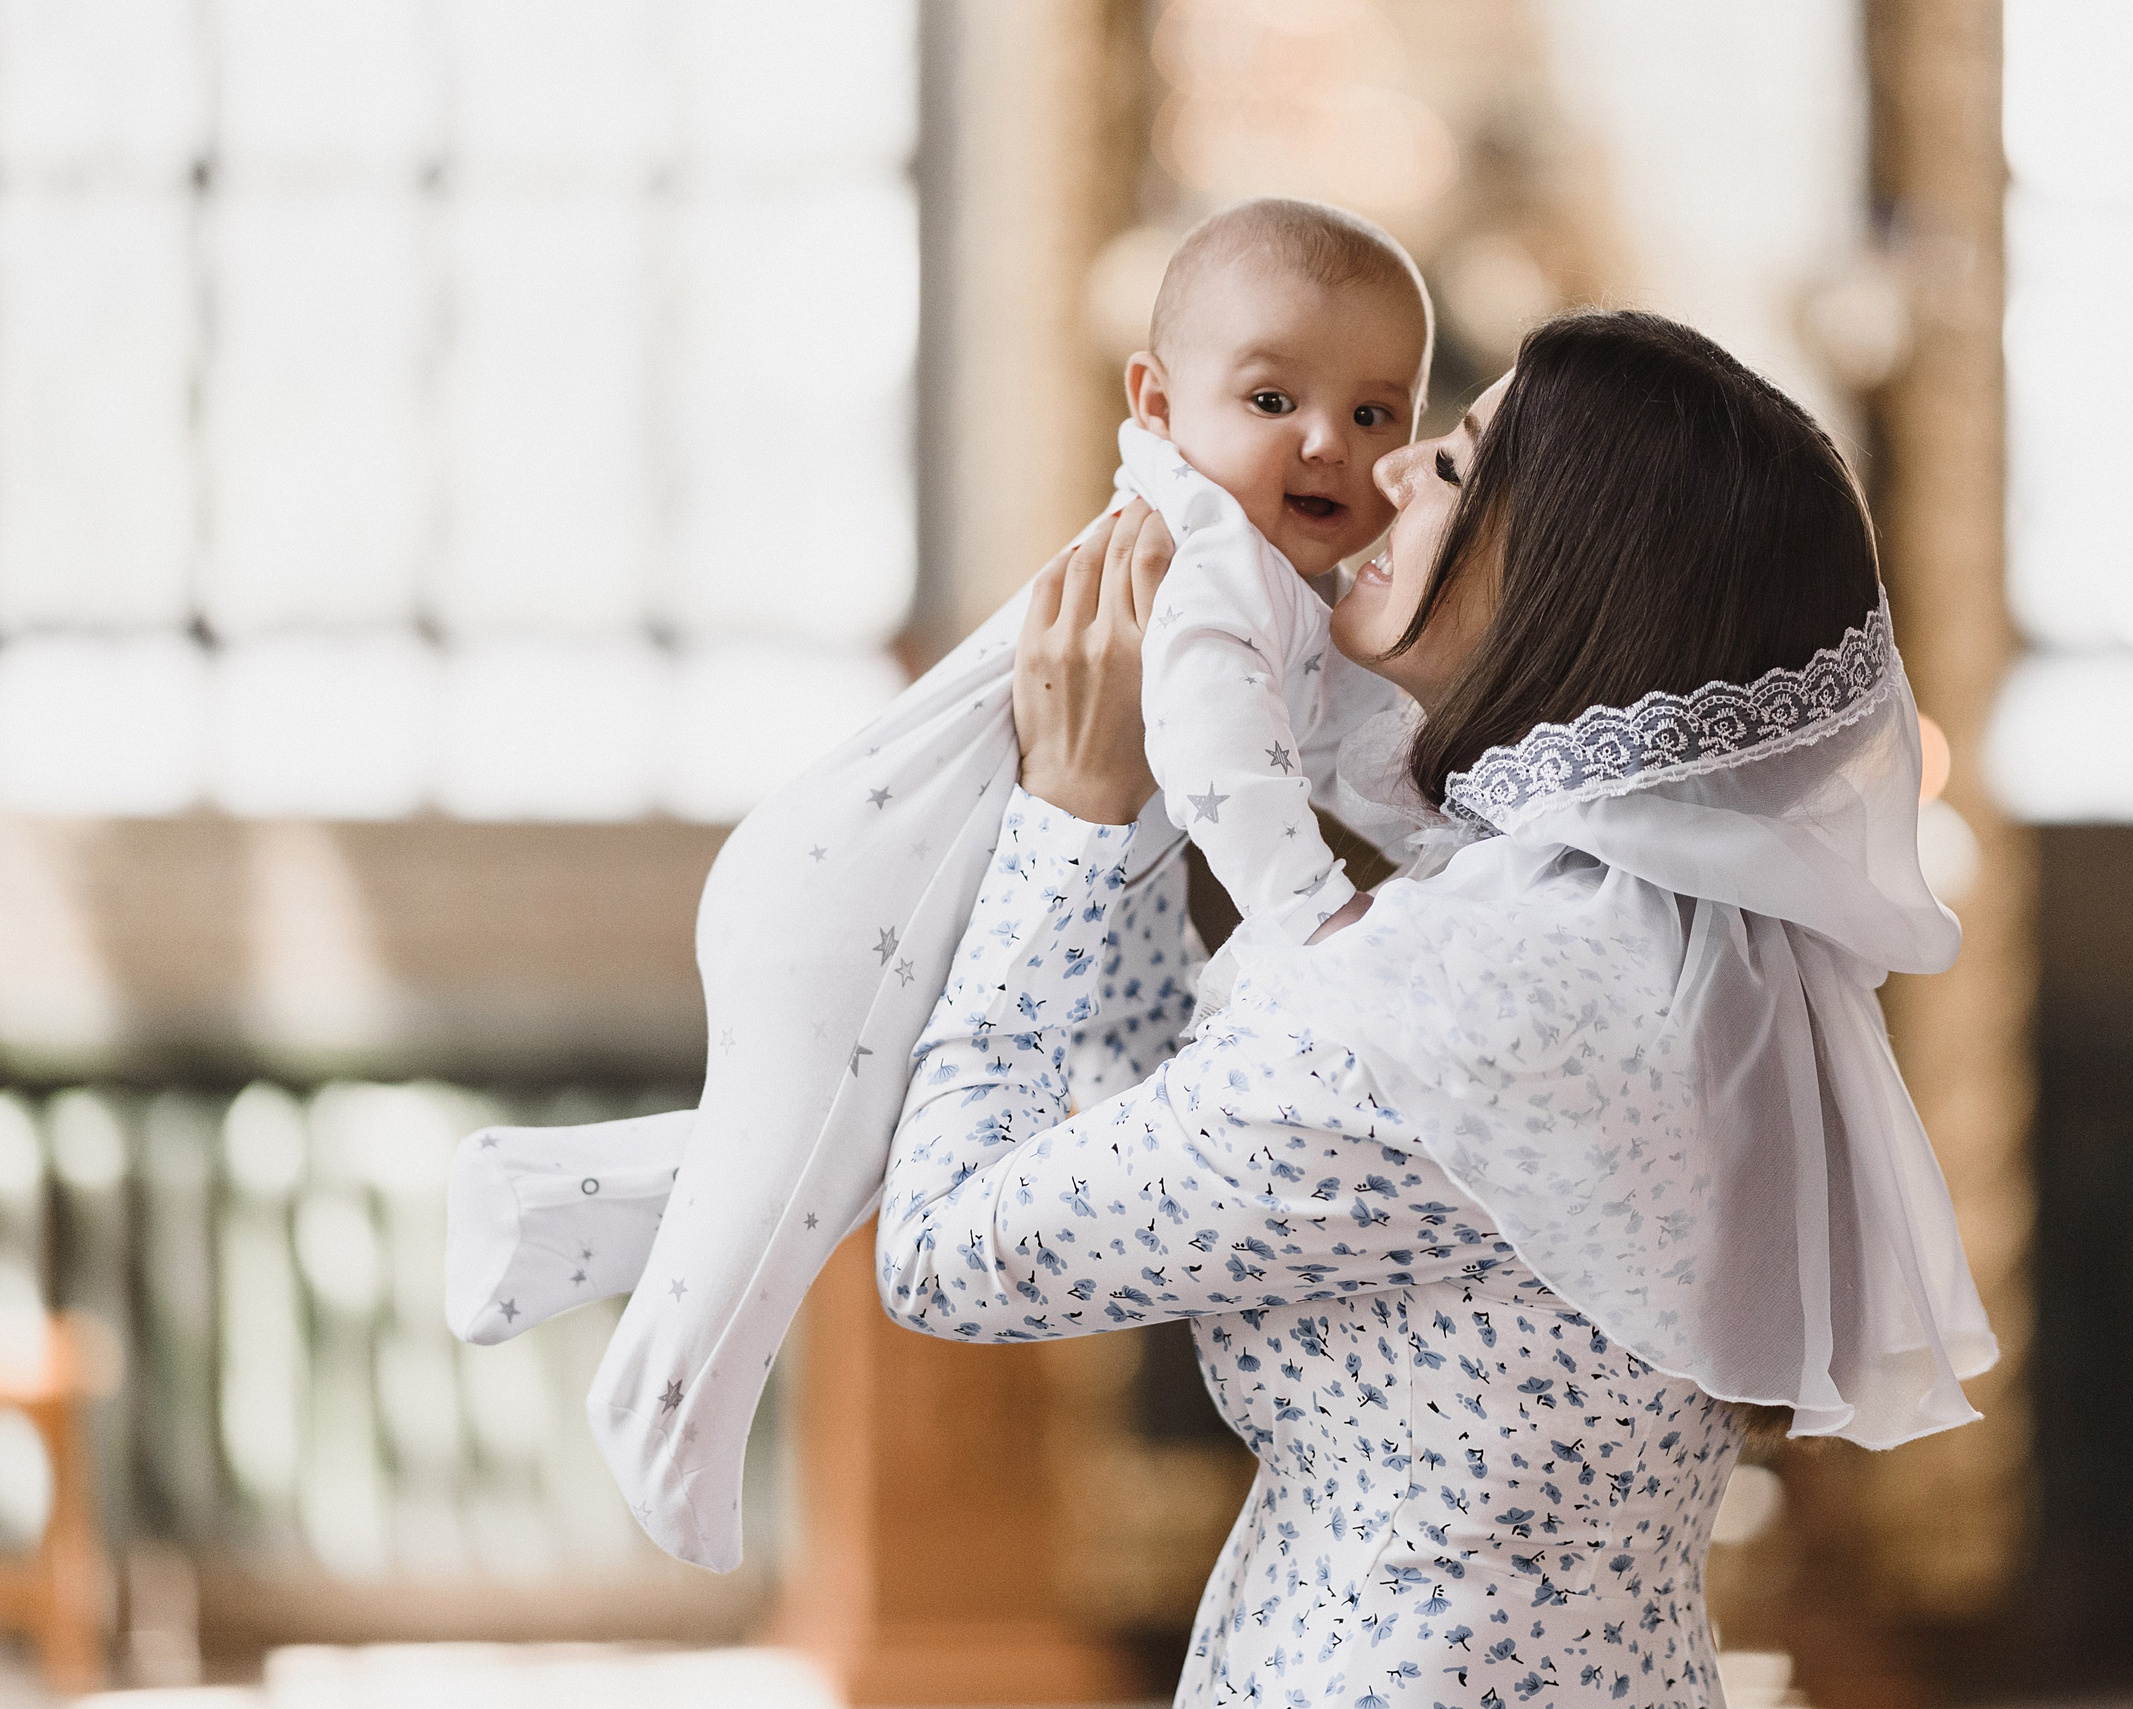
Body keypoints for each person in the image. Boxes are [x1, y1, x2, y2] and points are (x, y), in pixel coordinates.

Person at [877, 309, 1997, 1706]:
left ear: (1586, 579)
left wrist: (1071, 818)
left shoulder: (1475, 994)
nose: (1396, 471)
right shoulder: (1678, 945)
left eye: (1461, 465)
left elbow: (946, 1251)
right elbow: (1161, 1114)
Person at [444, 198, 1435, 1572]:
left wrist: (1445, 819)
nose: (1331, 442)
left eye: (1379, 414)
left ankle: (539, 1208)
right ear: (1157, 399)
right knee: (789, 1190)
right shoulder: (1204, 559)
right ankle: (659, 1406)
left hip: (909, 895)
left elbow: (1354, 745)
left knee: (841, 1156)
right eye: (1276, 396)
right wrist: (1312, 909)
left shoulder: (1279, 584)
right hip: (857, 893)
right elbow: (1225, 758)